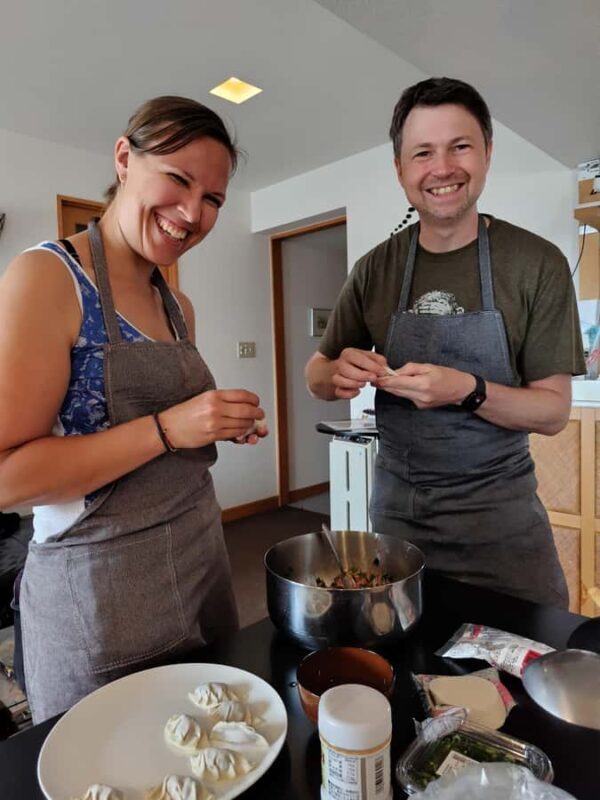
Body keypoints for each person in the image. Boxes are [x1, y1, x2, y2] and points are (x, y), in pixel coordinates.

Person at [0, 96, 268, 723]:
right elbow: (8, 476)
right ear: (125, 158)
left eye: (213, 200)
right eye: (178, 179)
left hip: (201, 567)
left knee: (212, 755)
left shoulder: (178, 304)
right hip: (99, 596)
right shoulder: (46, 278)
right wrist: (172, 428)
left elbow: (168, 437)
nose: (192, 213)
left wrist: (216, 422)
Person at [305, 77, 586, 609]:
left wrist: (467, 389)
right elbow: (316, 373)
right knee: (402, 665)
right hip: (397, 523)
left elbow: (551, 411)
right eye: (422, 153)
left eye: (460, 146)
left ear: (486, 153)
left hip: (503, 526)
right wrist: (336, 372)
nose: (442, 168)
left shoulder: (536, 264)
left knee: (525, 671)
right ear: (401, 170)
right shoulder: (374, 269)